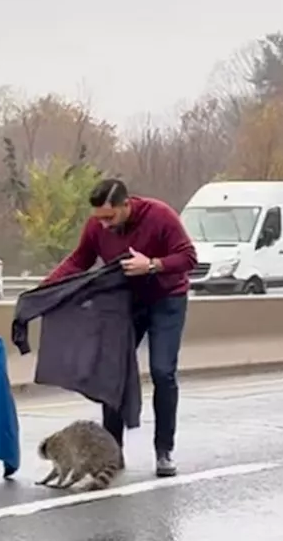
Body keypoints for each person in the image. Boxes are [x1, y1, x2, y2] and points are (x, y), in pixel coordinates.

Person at [43, 178, 197, 477]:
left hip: (167, 299)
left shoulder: (160, 215)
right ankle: (113, 453)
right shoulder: (97, 226)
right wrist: (45, 290)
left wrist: (152, 265)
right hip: (126, 303)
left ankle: (164, 451)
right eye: (98, 219)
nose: (103, 226)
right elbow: (79, 261)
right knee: (111, 372)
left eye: (109, 218)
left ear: (126, 205)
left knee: (162, 371)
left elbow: (189, 257)